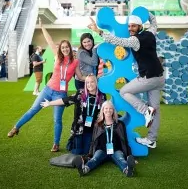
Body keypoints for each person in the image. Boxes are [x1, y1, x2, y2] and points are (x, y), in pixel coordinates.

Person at [7, 18, 86, 152]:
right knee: (33, 110)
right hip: (48, 90)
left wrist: (92, 78)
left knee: (57, 120)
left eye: (67, 47)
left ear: (70, 48)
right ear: (60, 49)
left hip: (60, 94)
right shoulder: (58, 56)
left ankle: (56, 144)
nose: (65, 49)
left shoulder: (75, 62)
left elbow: (80, 77)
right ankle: (16, 127)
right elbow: (49, 40)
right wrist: (42, 26)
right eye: (63, 47)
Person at [87, 12, 164, 149]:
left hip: (148, 78)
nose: (130, 29)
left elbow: (118, 41)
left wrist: (98, 31)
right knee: (156, 109)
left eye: (133, 26)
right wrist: (147, 13)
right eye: (129, 26)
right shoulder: (151, 33)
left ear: (140, 26)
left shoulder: (135, 40)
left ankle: (145, 110)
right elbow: (154, 22)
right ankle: (151, 139)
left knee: (124, 91)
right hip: (159, 77)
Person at [41, 74, 106, 154]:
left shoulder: (102, 96)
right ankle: (72, 141)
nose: (90, 84)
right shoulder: (80, 93)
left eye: (92, 82)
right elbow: (66, 100)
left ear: (96, 83)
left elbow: (105, 112)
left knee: (87, 152)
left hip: (91, 130)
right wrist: (50, 103)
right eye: (87, 82)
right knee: (76, 152)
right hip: (79, 129)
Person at [73, 100, 136, 177]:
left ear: (113, 110)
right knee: (94, 159)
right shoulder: (98, 124)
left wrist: (129, 155)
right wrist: (90, 154)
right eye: (106, 108)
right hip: (101, 150)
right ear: (102, 110)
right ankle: (84, 169)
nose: (108, 110)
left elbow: (125, 141)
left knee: (121, 159)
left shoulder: (120, 124)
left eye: (110, 108)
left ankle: (128, 170)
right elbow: (93, 141)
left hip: (116, 150)